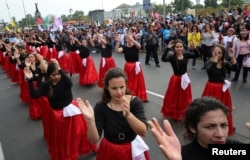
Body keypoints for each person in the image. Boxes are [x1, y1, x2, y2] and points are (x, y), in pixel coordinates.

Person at [23, 58, 96, 160]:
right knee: (62, 138)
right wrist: (30, 81)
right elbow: (34, 95)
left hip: (72, 112)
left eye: (58, 74)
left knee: (80, 132)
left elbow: (70, 84)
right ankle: (66, 155)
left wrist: (59, 68)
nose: (56, 77)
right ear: (49, 75)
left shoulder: (64, 82)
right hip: (58, 116)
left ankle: (91, 148)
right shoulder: (46, 86)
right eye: (53, 75)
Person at [76, 67, 150, 160]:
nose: (119, 92)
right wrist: (91, 121)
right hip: (110, 150)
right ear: (107, 88)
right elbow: (93, 139)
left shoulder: (135, 102)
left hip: (132, 149)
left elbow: (143, 132)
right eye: (114, 88)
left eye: (122, 87)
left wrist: (128, 115)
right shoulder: (101, 107)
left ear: (126, 85)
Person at [148, 97, 250, 160]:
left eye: (224, 125)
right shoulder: (183, 155)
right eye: (209, 127)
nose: (220, 134)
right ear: (193, 127)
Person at [202, 44, 238, 136]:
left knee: (223, 109)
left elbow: (236, 69)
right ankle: (209, 126)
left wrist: (232, 57)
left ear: (223, 54)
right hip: (211, 88)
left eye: (219, 53)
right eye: (215, 52)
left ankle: (222, 126)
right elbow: (210, 70)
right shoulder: (208, 63)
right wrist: (214, 60)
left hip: (222, 90)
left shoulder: (225, 64)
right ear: (212, 52)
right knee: (209, 108)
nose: (217, 54)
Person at [161, 39, 199, 121]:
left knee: (184, 96)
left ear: (183, 47)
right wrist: (167, 48)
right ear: (174, 48)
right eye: (177, 47)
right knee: (175, 97)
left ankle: (183, 112)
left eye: (180, 47)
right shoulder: (172, 57)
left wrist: (194, 48)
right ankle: (175, 113)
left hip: (184, 78)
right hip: (176, 79)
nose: (179, 48)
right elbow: (163, 59)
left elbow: (197, 55)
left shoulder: (186, 55)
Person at [115, 33, 148, 102]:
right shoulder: (124, 47)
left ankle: (140, 96)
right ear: (126, 39)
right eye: (127, 38)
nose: (129, 40)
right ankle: (129, 96)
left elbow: (139, 46)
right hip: (128, 66)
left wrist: (132, 39)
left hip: (136, 66)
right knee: (128, 81)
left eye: (130, 38)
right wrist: (118, 42)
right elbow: (117, 51)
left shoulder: (135, 46)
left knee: (138, 82)